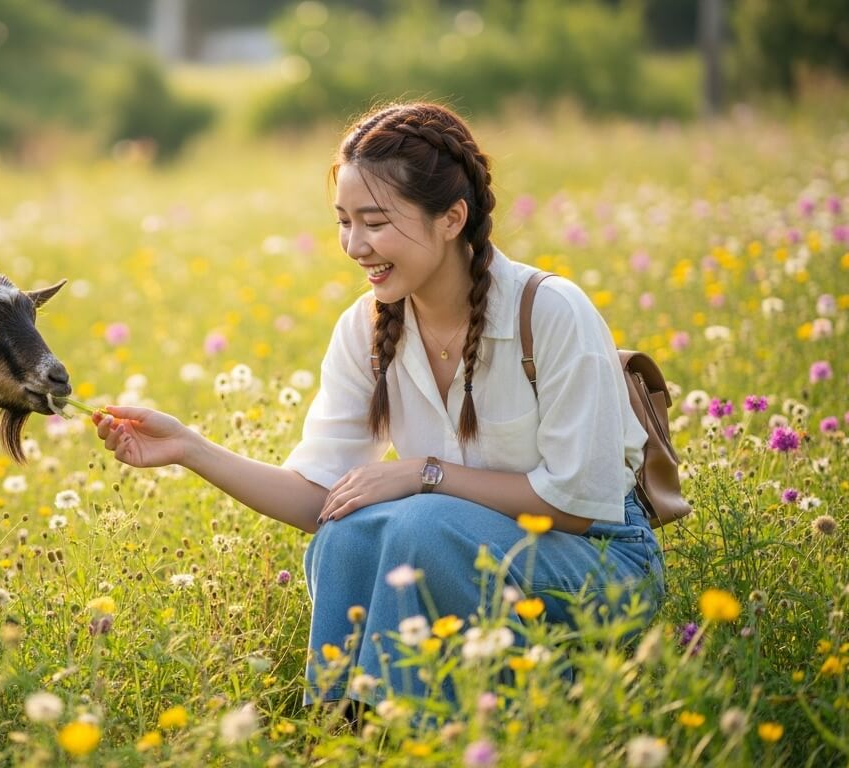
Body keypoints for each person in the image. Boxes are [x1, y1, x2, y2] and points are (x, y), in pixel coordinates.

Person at [89, 102, 666, 709]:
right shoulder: (366, 329)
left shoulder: (550, 312)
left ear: (451, 218)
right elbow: (320, 499)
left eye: (375, 222)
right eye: (343, 221)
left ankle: (427, 723)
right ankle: (346, 728)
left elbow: (572, 508)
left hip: (598, 562)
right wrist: (188, 447)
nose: (354, 245)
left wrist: (424, 476)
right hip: (460, 551)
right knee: (346, 536)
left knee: (421, 522)